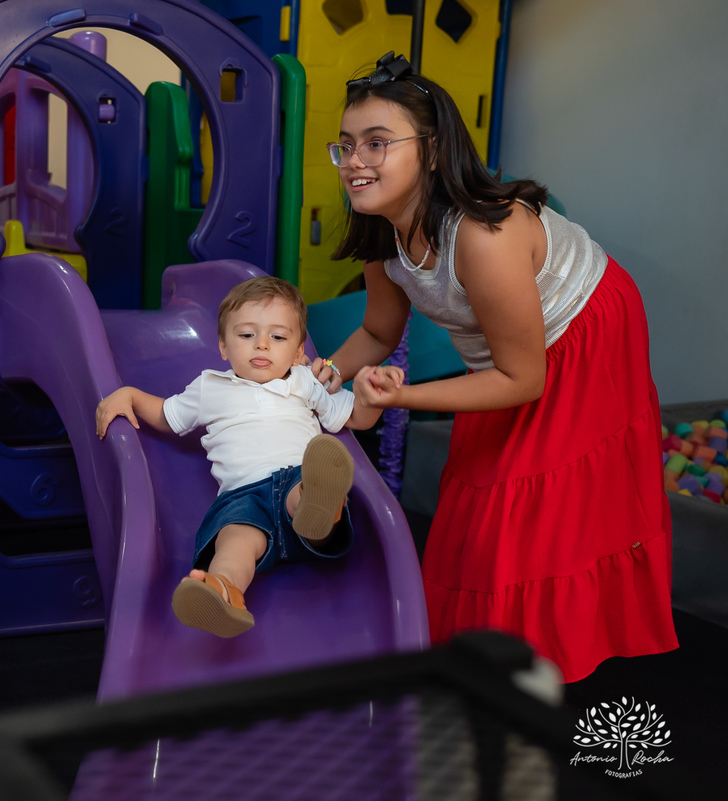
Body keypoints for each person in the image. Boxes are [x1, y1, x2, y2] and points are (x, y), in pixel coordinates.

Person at [321, 52, 678, 681]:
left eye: (377, 143)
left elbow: (523, 380)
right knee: (481, 488)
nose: (355, 161)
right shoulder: (383, 234)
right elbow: (380, 329)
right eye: (346, 145)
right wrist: (322, 374)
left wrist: (397, 398)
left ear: (430, 152)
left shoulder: (483, 238)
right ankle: (482, 654)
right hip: (506, 357)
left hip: (581, 331)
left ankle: (543, 657)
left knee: (539, 498)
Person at [95, 276, 396, 637]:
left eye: (279, 337)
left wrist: (374, 397)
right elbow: (167, 416)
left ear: (300, 352)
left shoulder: (304, 381)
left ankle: (320, 507)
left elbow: (354, 417)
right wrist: (129, 394)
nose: (263, 345)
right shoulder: (210, 386)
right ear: (223, 345)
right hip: (242, 497)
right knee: (234, 543)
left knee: (304, 489)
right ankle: (224, 592)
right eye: (246, 335)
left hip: (296, 478)